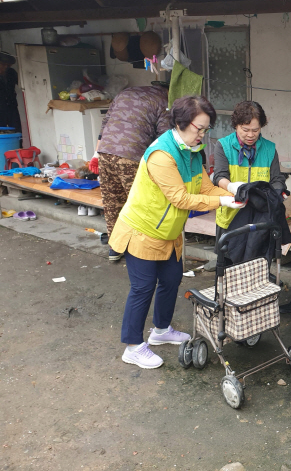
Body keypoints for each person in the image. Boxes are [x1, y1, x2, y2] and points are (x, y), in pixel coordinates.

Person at [109, 95, 245, 369]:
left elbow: (204, 187)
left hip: (169, 232)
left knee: (171, 280)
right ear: (181, 124)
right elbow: (180, 198)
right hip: (143, 230)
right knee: (143, 288)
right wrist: (222, 201)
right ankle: (133, 346)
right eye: (200, 129)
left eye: (207, 129)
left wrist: (231, 189)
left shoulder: (192, 151)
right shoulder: (162, 155)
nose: (203, 135)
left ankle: (161, 330)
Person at [89, 83, 170, 262]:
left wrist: (96, 154)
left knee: (112, 202)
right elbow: (164, 136)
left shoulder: (124, 92)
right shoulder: (164, 99)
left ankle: (115, 248)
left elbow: (105, 125)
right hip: (132, 156)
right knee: (139, 204)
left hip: (106, 152)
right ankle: (141, 253)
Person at [212, 100, 287, 239]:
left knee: (258, 260)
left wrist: (277, 194)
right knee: (229, 260)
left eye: (256, 130)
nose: (251, 135)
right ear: (236, 126)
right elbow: (219, 176)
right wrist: (231, 186)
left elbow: (277, 178)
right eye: (245, 130)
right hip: (230, 217)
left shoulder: (269, 149)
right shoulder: (223, 146)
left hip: (260, 219)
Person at [0, 51, 21, 132]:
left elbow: (21, 83)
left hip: (11, 107)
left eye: (7, 65)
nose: (5, 67)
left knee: (16, 130)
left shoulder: (11, 72)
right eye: (3, 64)